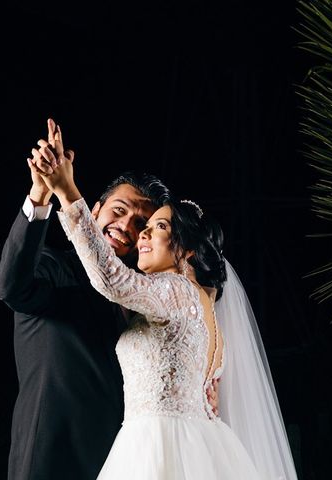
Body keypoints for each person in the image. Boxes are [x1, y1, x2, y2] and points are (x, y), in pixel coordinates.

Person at [37, 120, 299, 479]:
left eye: (158, 227)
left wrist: (67, 193)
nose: (142, 232)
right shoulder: (204, 308)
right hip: (200, 445)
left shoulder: (174, 291)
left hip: (155, 445)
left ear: (188, 249)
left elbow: (112, 279)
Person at [0, 119, 173, 480]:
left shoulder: (147, 298)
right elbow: (10, 286)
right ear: (94, 211)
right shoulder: (52, 268)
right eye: (119, 211)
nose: (126, 226)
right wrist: (40, 196)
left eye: (142, 223)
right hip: (51, 457)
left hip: (123, 460)